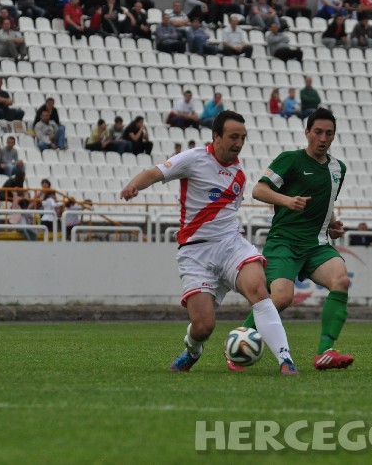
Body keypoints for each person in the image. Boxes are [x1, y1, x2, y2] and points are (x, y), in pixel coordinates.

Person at [119, 110, 298, 375]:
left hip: (230, 245)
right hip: (195, 252)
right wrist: (134, 186)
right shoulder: (193, 159)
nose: (238, 143)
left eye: (243, 138)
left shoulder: (238, 175)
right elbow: (154, 173)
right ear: (216, 136)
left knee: (259, 290)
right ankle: (192, 350)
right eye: (233, 137)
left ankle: (286, 360)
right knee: (203, 326)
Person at [232, 108, 349, 372]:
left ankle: (325, 352)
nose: (323, 138)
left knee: (341, 280)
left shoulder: (337, 169)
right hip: (284, 242)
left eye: (329, 133)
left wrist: (332, 224)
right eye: (317, 132)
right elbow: (259, 190)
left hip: (316, 244)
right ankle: (240, 340)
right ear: (307, 132)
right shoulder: (290, 160)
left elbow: (326, 202)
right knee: (282, 298)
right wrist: (287, 201)